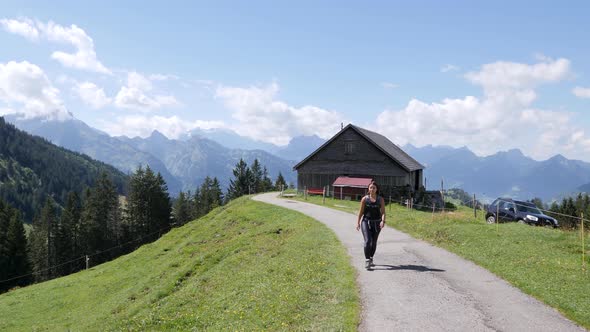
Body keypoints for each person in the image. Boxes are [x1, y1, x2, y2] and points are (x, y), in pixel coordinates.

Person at [356, 181, 386, 270]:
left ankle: (371, 258)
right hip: (366, 221)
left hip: (377, 222)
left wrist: (383, 221)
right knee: (368, 241)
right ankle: (367, 260)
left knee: (374, 242)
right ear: (368, 189)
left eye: (374, 188)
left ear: (377, 189)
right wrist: (358, 222)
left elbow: (383, 212)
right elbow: (361, 212)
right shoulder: (364, 199)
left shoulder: (380, 199)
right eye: (370, 188)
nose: (372, 189)